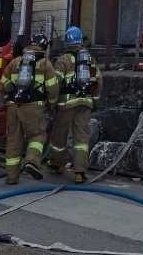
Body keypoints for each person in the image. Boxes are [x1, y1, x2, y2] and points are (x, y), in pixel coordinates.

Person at [0, 34, 58, 184]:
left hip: (13, 106)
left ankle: (11, 177)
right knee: (38, 135)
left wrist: (7, 98)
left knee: (13, 140)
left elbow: (3, 84)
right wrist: (52, 104)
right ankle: (31, 162)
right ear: (44, 47)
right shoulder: (45, 64)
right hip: (33, 107)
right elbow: (52, 88)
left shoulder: (15, 62)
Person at [45, 26, 101, 183]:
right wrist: (95, 101)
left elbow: (55, 83)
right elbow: (98, 81)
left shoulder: (63, 60)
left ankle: (57, 164)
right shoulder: (89, 59)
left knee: (59, 135)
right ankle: (80, 171)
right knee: (82, 137)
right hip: (85, 103)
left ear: (67, 41)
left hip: (66, 104)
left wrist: (52, 102)